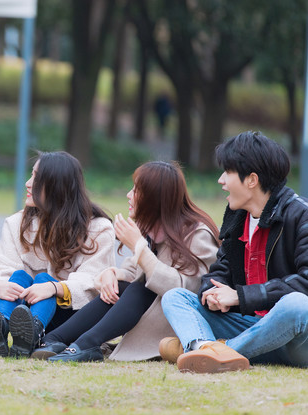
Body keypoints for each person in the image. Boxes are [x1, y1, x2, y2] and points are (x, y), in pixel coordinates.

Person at [32, 161, 219, 362]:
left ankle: (86, 345)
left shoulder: (197, 234)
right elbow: (131, 273)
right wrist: (111, 275)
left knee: (141, 288)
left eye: (136, 191)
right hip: (153, 315)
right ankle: (55, 339)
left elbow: (185, 290)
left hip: (182, 322)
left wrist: (139, 247)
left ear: (154, 199)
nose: (129, 195)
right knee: (118, 287)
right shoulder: (155, 230)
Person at [161, 131, 308, 373]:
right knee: (176, 297)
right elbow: (219, 273)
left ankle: (212, 352)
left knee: (297, 305)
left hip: (295, 337)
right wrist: (212, 293)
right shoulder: (237, 218)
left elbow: (305, 282)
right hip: (252, 330)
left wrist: (240, 296)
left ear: (251, 180)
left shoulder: (301, 214)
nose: (221, 180)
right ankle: (209, 347)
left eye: (227, 172)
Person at [0, 151, 115, 358]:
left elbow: (94, 281)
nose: (28, 183)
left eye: (36, 178)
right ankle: (1, 328)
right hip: (23, 311)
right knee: (18, 277)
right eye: (31, 175)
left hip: (69, 319)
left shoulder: (98, 229)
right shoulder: (17, 223)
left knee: (43, 279)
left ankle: (33, 331)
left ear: (58, 186)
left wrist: (54, 288)